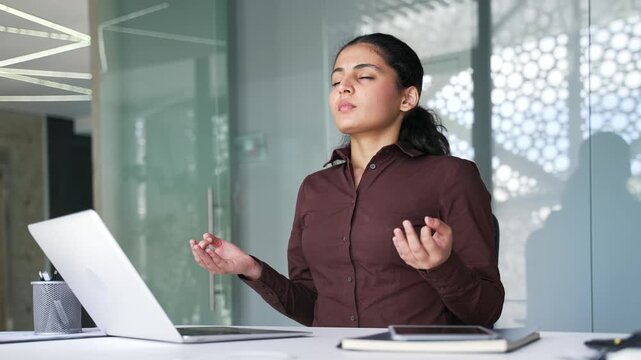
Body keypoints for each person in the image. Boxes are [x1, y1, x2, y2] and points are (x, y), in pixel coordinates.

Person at [190, 33, 504, 328]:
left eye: (364, 76)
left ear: (407, 98)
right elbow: (311, 307)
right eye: (336, 80)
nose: (344, 87)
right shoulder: (315, 188)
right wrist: (250, 268)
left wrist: (441, 266)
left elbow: (487, 310)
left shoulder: (451, 177)